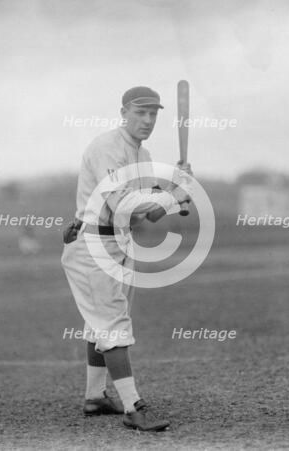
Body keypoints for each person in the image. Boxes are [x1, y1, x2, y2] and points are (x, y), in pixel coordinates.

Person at [61, 86, 192, 431]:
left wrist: (173, 188)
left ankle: (95, 397)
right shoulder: (107, 147)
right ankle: (134, 408)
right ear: (124, 112)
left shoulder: (143, 155)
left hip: (119, 243)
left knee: (101, 324)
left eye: (153, 114)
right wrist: (173, 197)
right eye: (140, 113)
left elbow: (143, 216)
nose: (147, 120)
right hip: (92, 246)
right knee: (113, 324)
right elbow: (122, 204)